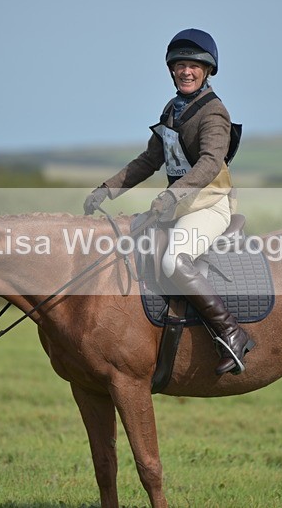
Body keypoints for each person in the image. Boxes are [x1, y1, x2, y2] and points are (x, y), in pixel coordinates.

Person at [83, 28, 254, 375]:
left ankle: (231, 333)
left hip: (210, 204)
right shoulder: (172, 109)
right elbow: (150, 160)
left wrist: (172, 195)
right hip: (179, 205)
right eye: (180, 65)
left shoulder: (214, 113)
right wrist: (108, 189)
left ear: (206, 71)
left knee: (174, 261)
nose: (186, 71)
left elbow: (209, 163)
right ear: (171, 70)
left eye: (194, 65)